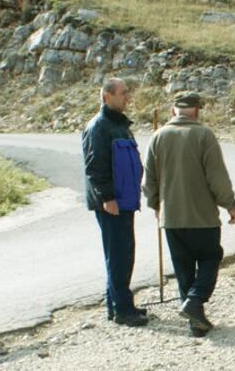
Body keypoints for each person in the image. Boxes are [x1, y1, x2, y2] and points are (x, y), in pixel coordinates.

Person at [143, 91, 235, 338]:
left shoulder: (158, 136)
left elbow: (148, 180)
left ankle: (194, 321)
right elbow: (217, 176)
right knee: (210, 257)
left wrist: (156, 205)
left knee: (183, 267)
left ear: (173, 110)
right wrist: (229, 204)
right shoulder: (203, 135)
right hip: (203, 216)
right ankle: (194, 302)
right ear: (197, 110)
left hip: (171, 217)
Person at [82, 77, 148, 327]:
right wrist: (107, 198)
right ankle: (122, 310)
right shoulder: (98, 127)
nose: (127, 97)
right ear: (107, 96)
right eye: (122, 93)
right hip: (111, 204)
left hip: (125, 200)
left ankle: (119, 305)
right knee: (118, 255)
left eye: (127, 93)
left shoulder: (120, 125)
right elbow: (94, 167)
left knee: (124, 252)